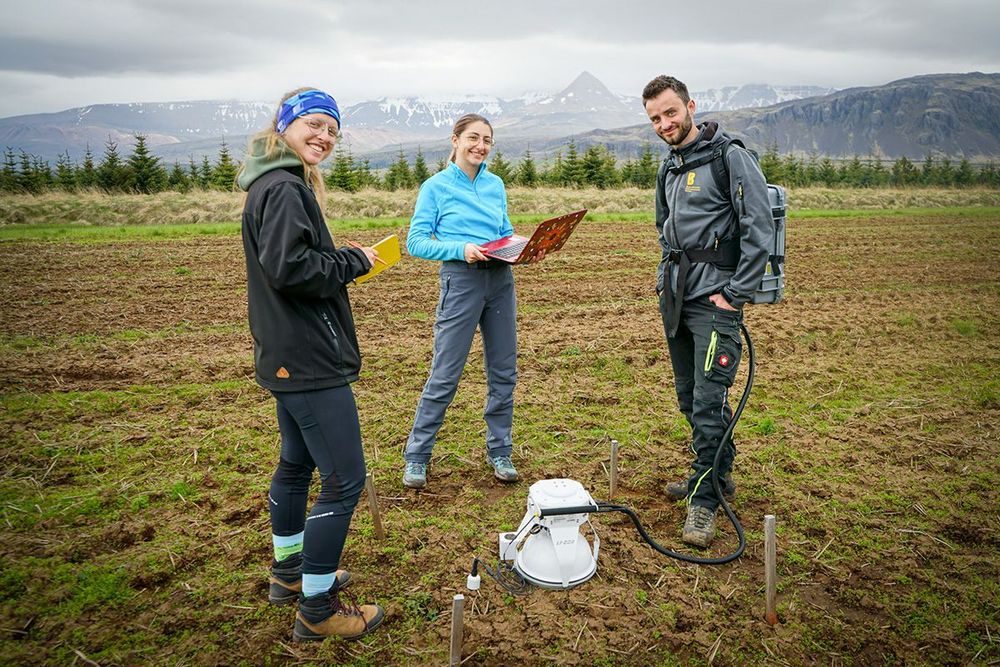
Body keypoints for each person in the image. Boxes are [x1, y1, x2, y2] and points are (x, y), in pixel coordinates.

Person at [237, 87, 384, 641]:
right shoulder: (283, 188)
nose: (324, 137)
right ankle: (317, 610)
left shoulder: (273, 182)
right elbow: (291, 270)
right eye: (315, 125)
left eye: (333, 131)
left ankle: (289, 571)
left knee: (296, 464)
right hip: (307, 356)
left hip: (286, 353)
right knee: (345, 479)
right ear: (285, 125)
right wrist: (353, 262)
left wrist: (341, 258)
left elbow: (288, 262)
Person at [642, 75, 774, 548]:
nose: (664, 124)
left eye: (670, 112)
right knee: (688, 396)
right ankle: (718, 473)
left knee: (708, 400)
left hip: (716, 301)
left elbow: (759, 227)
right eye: (655, 118)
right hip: (676, 298)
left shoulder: (729, 157)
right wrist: (665, 281)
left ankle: (704, 500)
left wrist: (735, 293)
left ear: (690, 106)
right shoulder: (670, 167)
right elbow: (664, 227)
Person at [401, 113, 519, 489]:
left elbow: (504, 230)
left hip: (500, 280)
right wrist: (461, 249)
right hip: (461, 280)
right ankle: (417, 456)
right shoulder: (435, 187)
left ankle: (500, 450)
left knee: (504, 372)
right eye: (473, 138)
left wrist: (520, 246)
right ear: (455, 140)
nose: (480, 146)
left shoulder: (495, 184)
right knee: (445, 374)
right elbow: (416, 242)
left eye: (487, 140)